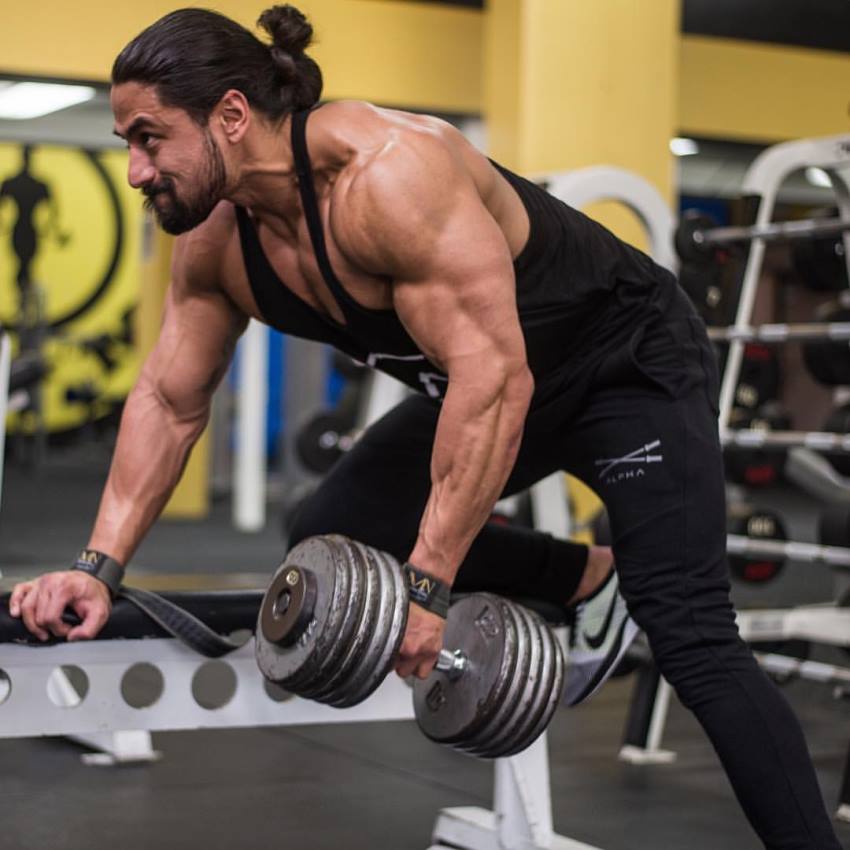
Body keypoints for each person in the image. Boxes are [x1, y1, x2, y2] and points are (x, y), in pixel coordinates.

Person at [7, 7, 842, 847]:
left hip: (624, 364)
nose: (135, 171)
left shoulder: (389, 175)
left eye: (150, 139)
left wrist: (426, 589)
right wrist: (98, 568)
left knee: (690, 634)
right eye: (128, 144)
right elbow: (168, 400)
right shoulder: (219, 245)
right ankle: (587, 576)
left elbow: (494, 378)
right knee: (335, 532)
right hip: (498, 376)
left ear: (230, 114)